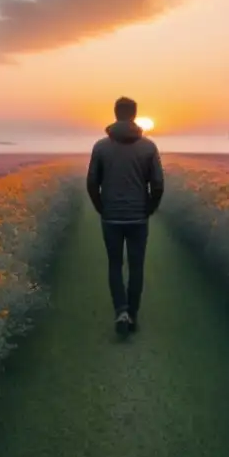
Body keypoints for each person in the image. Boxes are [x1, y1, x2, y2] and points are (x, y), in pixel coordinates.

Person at [86, 96, 165, 337]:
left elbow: (91, 183)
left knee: (114, 264)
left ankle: (120, 310)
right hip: (138, 218)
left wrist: (101, 207)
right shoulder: (149, 147)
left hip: (111, 217)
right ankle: (133, 315)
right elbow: (158, 184)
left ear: (115, 113)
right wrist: (149, 208)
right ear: (134, 114)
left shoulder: (100, 147)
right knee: (136, 265)